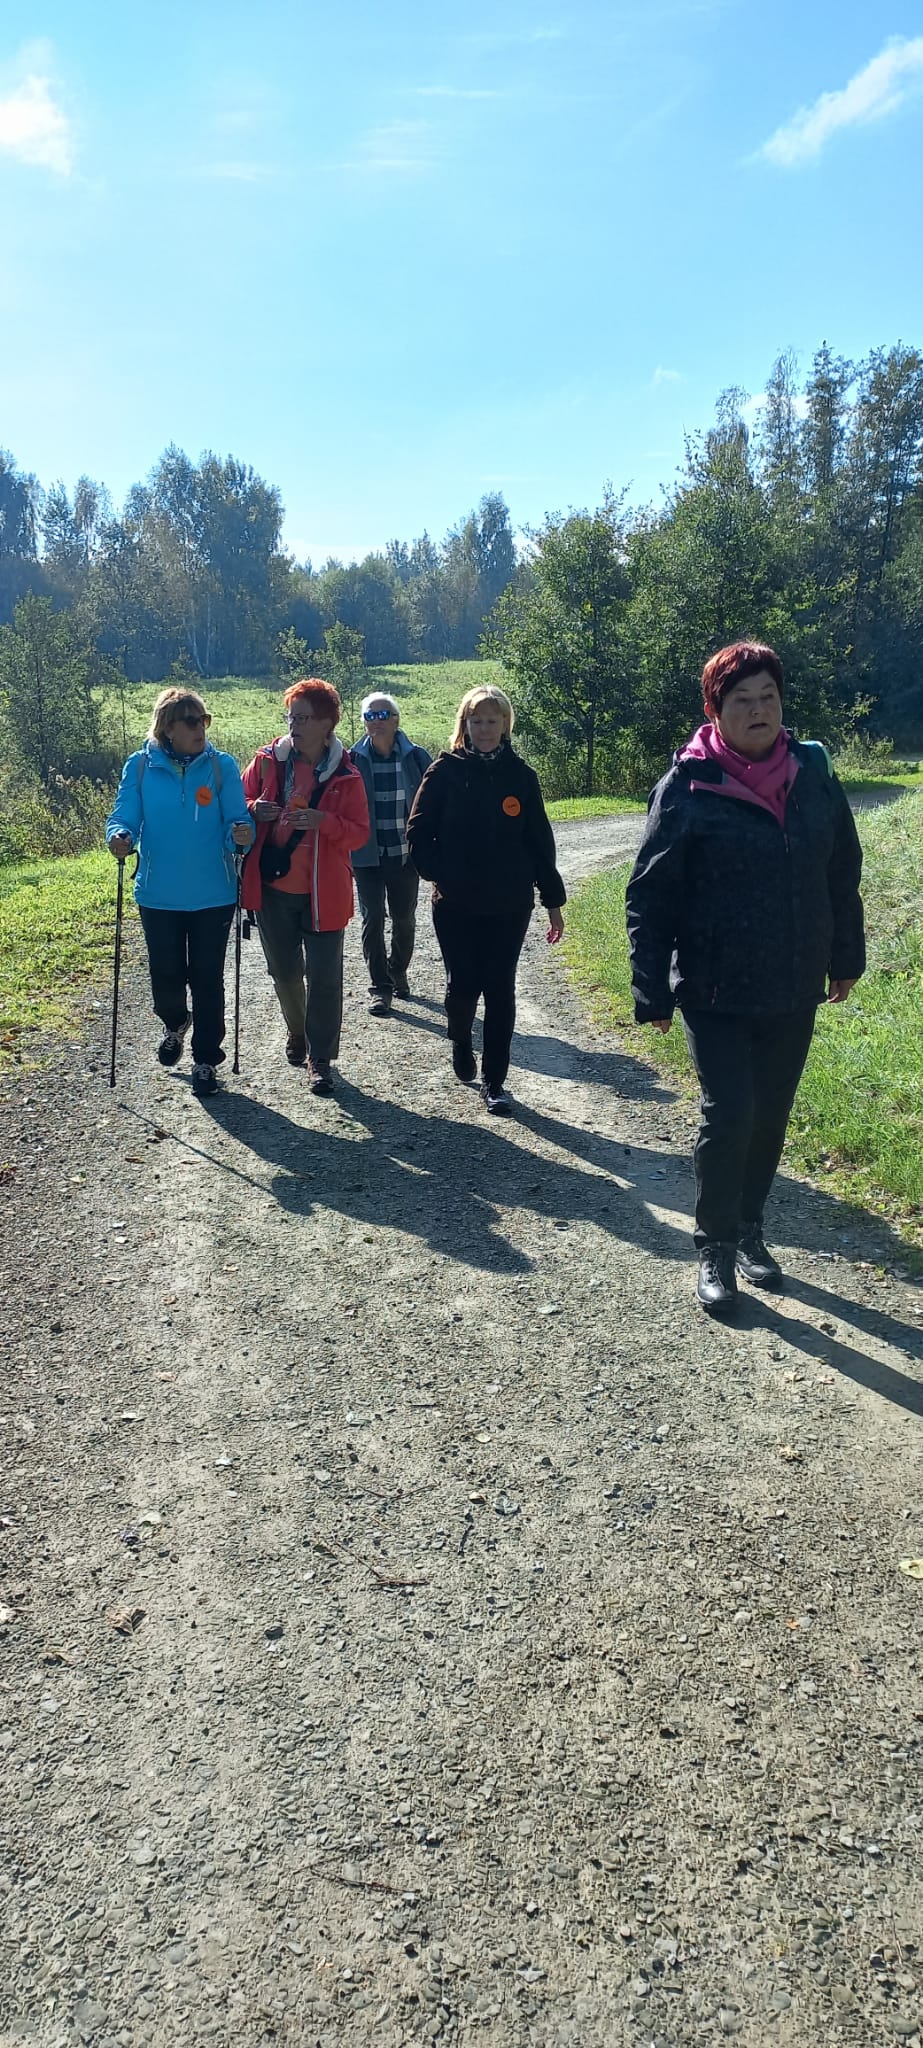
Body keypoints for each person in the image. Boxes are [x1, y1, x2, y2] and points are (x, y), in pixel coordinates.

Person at [625, 641, 865, 1317]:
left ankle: (751, 1227)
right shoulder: (687, 786)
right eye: (741, 700)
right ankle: (716, 1246)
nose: (758, 710)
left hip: (793, 980)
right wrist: (650, 987)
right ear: (715, 710)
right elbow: (650, 893)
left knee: (769, 1115)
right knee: (729, 1113)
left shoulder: (813, 776)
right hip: (714, 987)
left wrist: (844, 957)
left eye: (768, 697)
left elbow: (840, 871)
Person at [407, 683, 565, 1116]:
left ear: (505, 724)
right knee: (463, 986)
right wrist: (441, 874)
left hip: (509, 903)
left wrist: (552, 901)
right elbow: (418, 832)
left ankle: (495, 1082)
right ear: (465, 724)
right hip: (455, 903)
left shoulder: (521, 776)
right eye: (476, 721)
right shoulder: (444, 771)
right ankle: (460, 1039)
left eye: (492, 721)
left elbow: (540, 842)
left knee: (500, 988)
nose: (484, 729)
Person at [105, 687, 254, 1097]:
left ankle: (206, 1059)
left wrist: (241, 834)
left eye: (203, 720)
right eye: (191, 721)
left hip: (213, 894)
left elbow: (237, 819)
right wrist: (119, 836)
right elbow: (124, 816)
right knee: (166, 976)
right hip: (159, 894)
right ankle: (174, 1022)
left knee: (207, 978)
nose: (200, 728)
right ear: (168, 728)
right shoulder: (140, 766)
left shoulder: (221, 766)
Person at [241, 679, 369, 1095]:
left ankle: (320, 1057)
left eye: (303, 718)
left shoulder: (347, 775)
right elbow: (236, 804)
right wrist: (254, 809)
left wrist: (323, 822)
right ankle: (297, 1030)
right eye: (291, 716)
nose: (293, 725)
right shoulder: (267, 762)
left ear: (327, 723)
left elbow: (359, 834)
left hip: (324, 891)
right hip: (273, 889)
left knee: (326, 978)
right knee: (284, 972)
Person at [349, 693, 432, 1016]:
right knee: (372, 919)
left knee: (404, 919)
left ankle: (398, 970)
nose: (376, 721)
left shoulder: (416, 757)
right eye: (369, 716)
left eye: (383, 715)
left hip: (405, 855)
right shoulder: (351, 760)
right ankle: (380, 988)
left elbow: (433, 803)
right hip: (366, 855)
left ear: (396, 720)